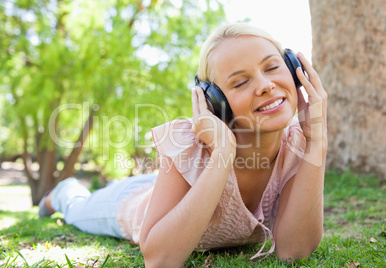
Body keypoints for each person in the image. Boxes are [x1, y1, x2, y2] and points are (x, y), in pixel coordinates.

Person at [38, 23, 327, 267]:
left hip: (162, 183)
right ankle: (64, 191)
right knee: (77, 208)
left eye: (273, 67)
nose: (265, 85)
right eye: (240, 83)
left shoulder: (299, 146)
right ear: (216, 102)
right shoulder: (192, 142)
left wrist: (317, 141)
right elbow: (159, 260)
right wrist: (222, 154)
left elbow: (293, 252)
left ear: (294, 69)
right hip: (132, 202)